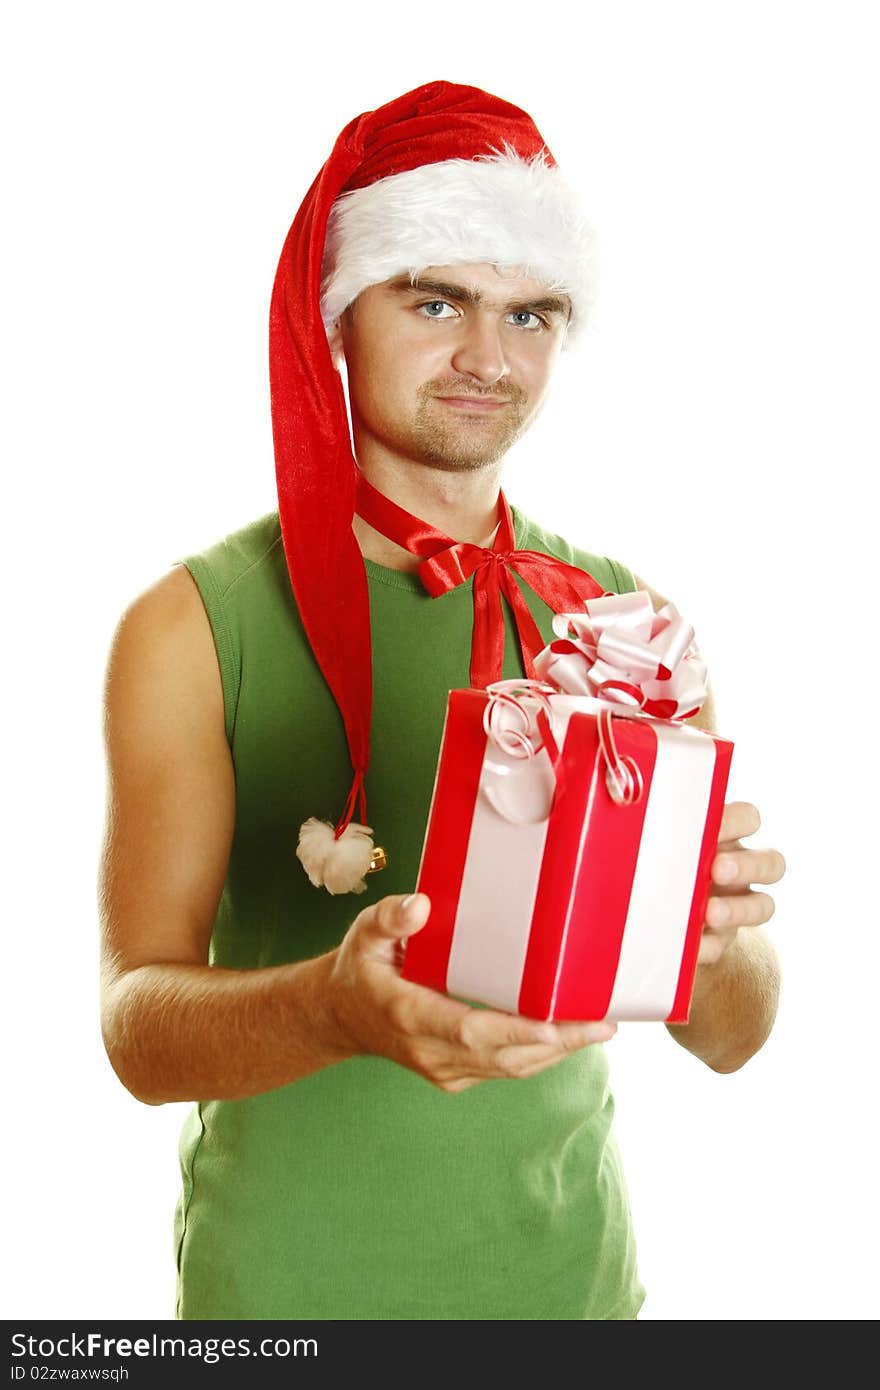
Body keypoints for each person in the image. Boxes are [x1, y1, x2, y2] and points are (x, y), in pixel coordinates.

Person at [98, 80, 785, 1321]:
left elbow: (733, 1037)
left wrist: (708, 931)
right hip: (282, 1307)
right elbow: (135, 1027)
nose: (488, 356)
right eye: (434, 300)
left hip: (574, 1295)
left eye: (529, 313)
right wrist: (329, 1008)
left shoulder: (623, 625)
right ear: (336, 320)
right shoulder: (193, 624)